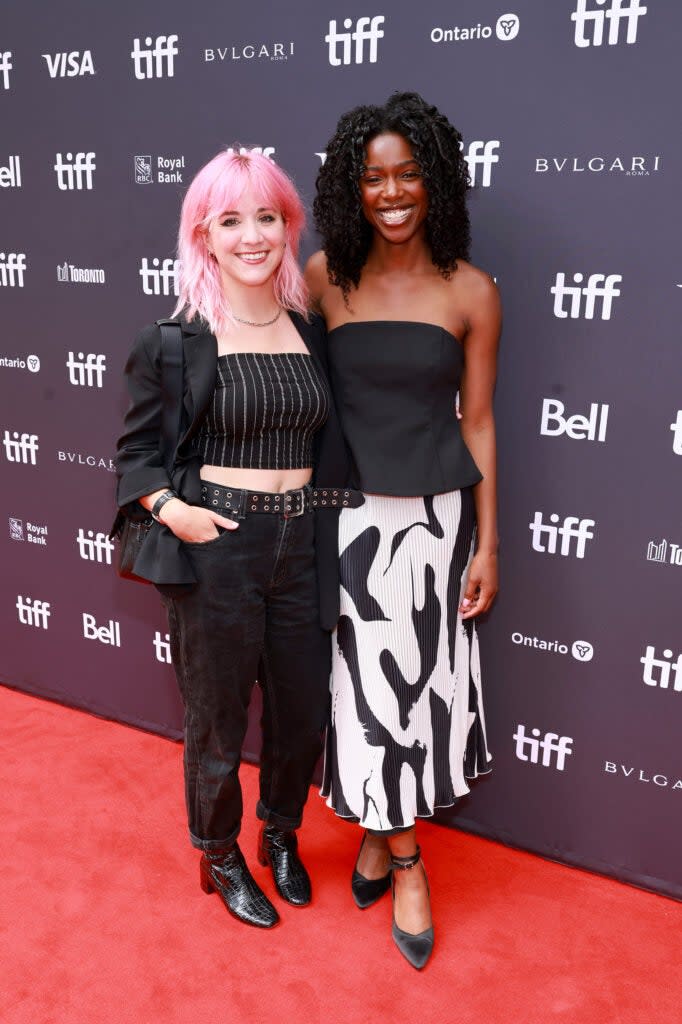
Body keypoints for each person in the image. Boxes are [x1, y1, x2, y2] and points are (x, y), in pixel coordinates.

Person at [115, 149, 351, 929]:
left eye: (268, 217)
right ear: (203, 236)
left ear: (289, 228)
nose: (252, 235)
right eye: (230, 220)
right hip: (219, 540)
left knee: (300, 710)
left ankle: (280, 832)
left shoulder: (310, 329)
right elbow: (138, 454)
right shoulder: (175, 339)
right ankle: (219, 853)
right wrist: (170, 509)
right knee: (215, 718)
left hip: (303, 540)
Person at [306, 92, 501, 968]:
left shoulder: (471, 290)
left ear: (437, 182)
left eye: (408, 174)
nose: (391, 192)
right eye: (373, 177)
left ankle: (384, 839)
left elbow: (480, 423)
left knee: (415, 696)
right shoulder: (322, 279)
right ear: (354, 188)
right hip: (347, 520)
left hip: (434, 521)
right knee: (367, 696)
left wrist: (488, 542)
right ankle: (409, 858)